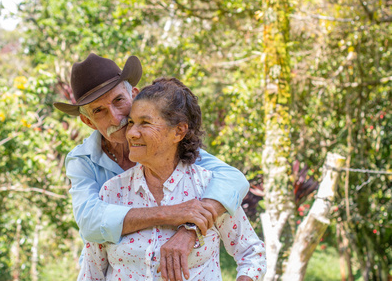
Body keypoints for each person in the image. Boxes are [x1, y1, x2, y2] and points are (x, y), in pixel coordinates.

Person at [54, 53, 250, 281]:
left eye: (118, 100)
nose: (117, 117)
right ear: (88, 122)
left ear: (133, 95)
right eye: (99, 111)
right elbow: (90, 222)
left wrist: (190, 228)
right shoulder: (83, 160)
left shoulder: (169, 148)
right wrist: (170, 213)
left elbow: (233, 179)